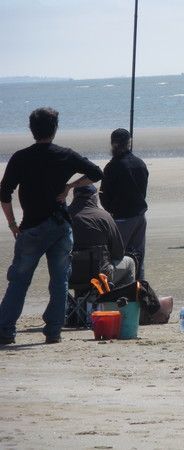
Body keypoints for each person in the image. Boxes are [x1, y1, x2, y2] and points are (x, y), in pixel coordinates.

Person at [0, 107, 103, 345]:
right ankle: (54, 331)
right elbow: (96, 173)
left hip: (32, 227)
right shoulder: (64, 155)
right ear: (55, 129)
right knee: (59, 281)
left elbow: (5, 194)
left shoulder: (21, 157)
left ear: (32, 130)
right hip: (59, 226)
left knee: (19, 280)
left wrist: (12, 223)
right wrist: (69, 187)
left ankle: (5, 330)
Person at [99, 128, 149, 279]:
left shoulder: (112, 167)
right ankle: (139, 288)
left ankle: (120, 288)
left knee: (117, 258)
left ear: (113, 144)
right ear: (129, 143)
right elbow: (143, 191)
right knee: (138, 256)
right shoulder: (140, 164)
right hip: (139, 216)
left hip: (121, 218)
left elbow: (104, 195)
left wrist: (111, 211)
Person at [68, 185, 135, 287]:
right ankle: (121, 299)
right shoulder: (104, 217)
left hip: (69, 274)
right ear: (94, 197)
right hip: (101, 275)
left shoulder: (64, 216)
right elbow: (118, 253)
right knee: (130, 262)